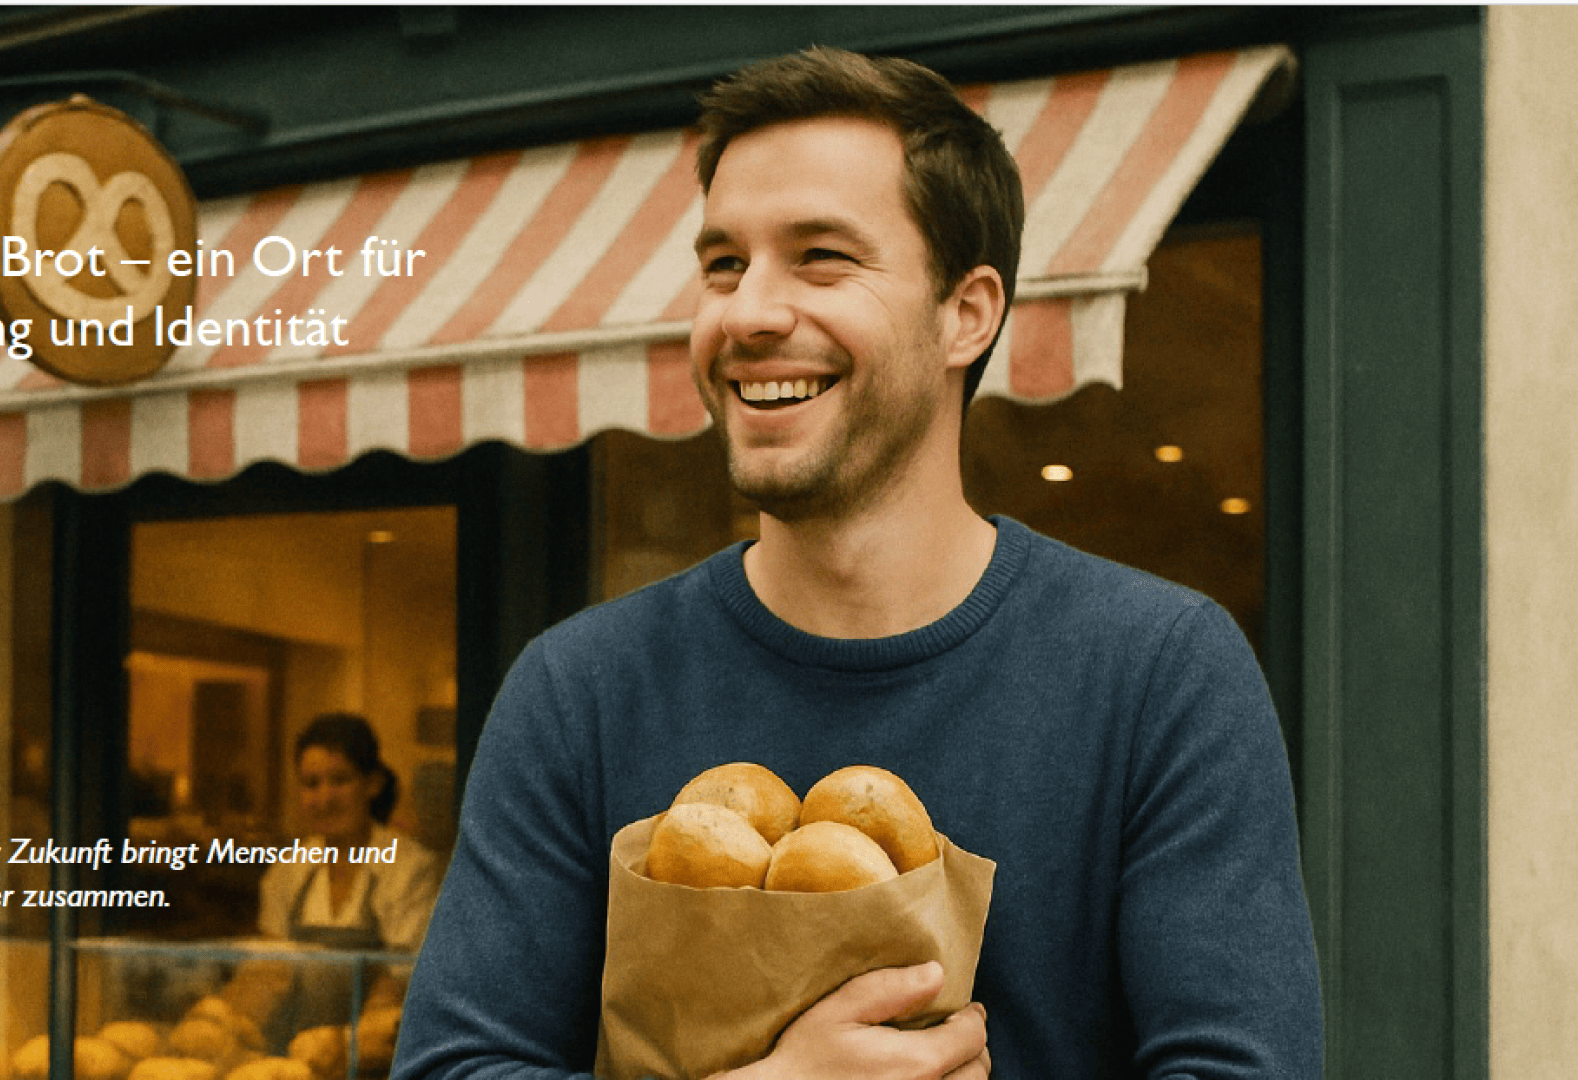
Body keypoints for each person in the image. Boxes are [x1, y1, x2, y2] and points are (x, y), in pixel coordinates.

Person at [394, 46, 1322, 1080]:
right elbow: (452, 1067)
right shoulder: (577, 691)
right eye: (722, 265)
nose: (748, 312)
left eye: (821, 257)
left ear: (965, 313)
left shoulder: (1159, 674)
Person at [257, 712, 442, 953]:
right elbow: (271, 968)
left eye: (340, 780)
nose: (325, 799)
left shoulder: (410, 868)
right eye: (311, 784)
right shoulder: (288, 870)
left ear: (372, 784)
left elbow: (400, 975)